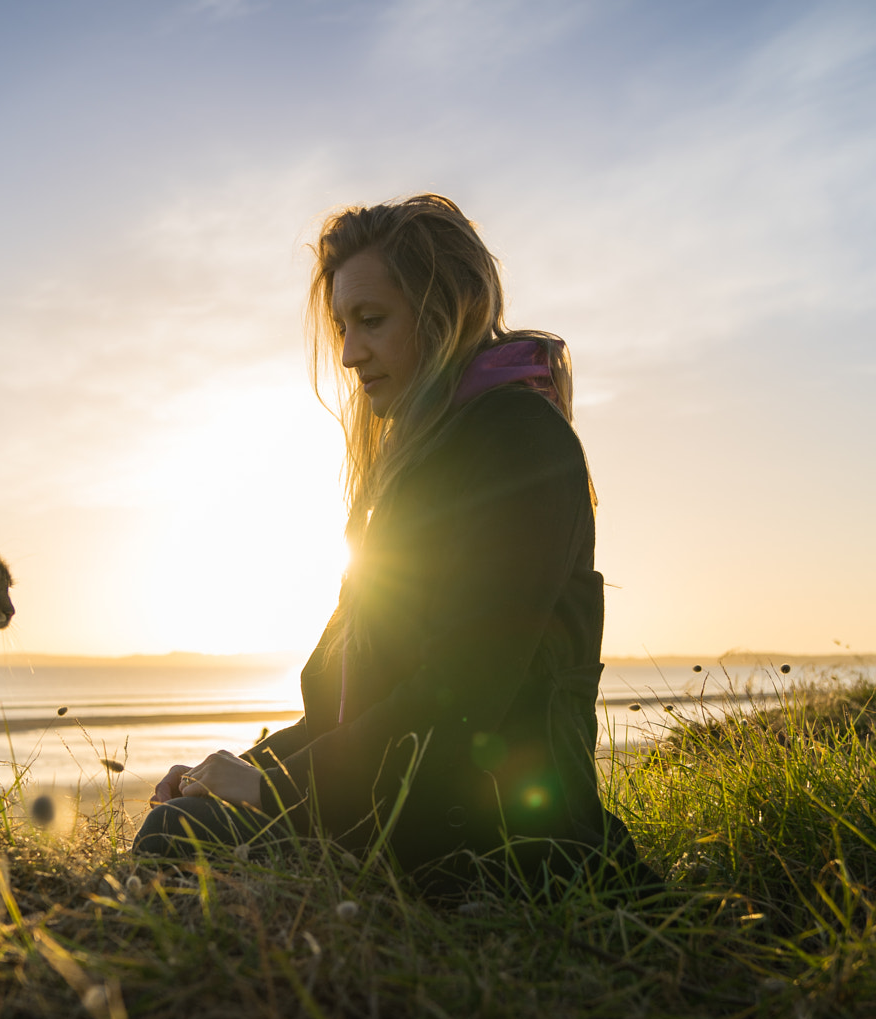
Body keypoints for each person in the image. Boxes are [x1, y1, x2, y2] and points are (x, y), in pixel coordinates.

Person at [134, 193, 652, 895]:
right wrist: (231, 771)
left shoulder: (517, 444)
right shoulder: (422, 464)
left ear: (444, 311)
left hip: (503, 841)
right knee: (184, 819)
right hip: (407, 815)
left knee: (173, 839)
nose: (349, 354)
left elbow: (458, 700)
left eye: (372, 322)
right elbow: (355, 704)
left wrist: (274, 790)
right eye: (343, 327)